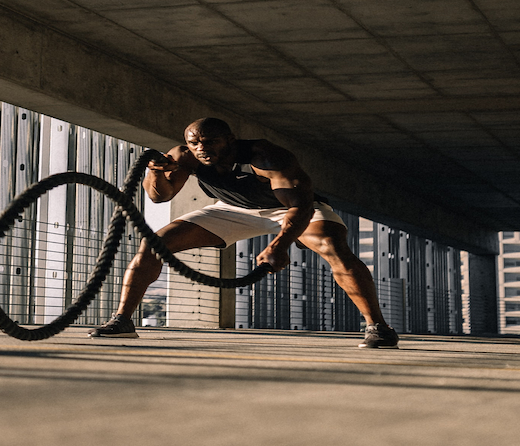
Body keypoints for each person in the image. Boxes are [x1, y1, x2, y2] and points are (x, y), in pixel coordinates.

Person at [89, 117, 399, 348]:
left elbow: (300, 206)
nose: (202, 149)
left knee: (333, 246)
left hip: (289, 209)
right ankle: (123, 321)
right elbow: (160, 196)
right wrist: (156, 171)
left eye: (210, 142)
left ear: (230, 140)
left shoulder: (265, 157)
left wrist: (280, 244)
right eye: (196, 143)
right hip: (232, 209)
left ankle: (378, 327)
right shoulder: (185, 157)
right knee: (154, 244)